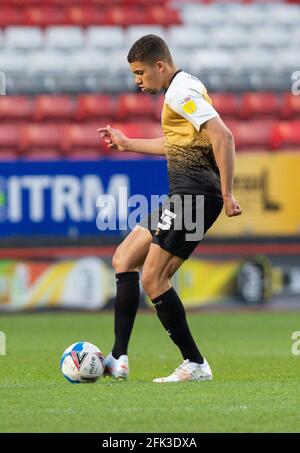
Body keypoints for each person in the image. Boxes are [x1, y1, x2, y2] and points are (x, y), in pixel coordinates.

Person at [98, 35, 242, 383]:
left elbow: (223, 136)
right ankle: (118, 357)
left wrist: (227, 192)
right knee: (124, 258)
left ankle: (195, 364)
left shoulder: (180, 91)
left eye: (140, 73)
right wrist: (128, 143)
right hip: (182, 196)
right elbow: (179, 142)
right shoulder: (180, 90)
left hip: (195, 197)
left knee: (153, 278)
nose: (137, 81)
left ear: (159, 66)